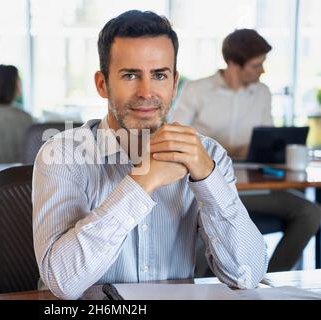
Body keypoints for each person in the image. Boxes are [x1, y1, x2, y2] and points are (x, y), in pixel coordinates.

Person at [32, 10, 268, 300]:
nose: (146, 92)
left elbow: (247, 275)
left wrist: (207, 177)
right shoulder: (62, 155)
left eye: (159, 75)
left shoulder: (207, 155)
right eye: (130, 75)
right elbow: (62, 283)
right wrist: (142, 182)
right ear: (102, 84)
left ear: (174, 82)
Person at [171, 29, 321, 272]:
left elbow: (270, 137)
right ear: (233, 64)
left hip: (256, 186)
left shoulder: (261, 92)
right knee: (202, 219)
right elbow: (178, 134)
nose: (262, 71)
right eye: (256, 65)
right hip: (210, 187)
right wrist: (227, 147)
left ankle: (267, 280)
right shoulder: (197, 90)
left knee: (310, 212)